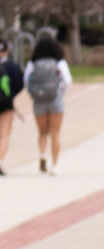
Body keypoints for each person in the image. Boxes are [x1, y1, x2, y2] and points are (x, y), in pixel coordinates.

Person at [25, 30, 72, 175]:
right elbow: (67, 80)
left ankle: (43, 154)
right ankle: (55, 165)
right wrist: (60, 93)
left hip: (39, 99)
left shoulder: (33, 63)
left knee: (42, 132)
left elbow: (27, 81)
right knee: (55, 132)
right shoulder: (59, 62)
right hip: (55, 98)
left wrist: (33, 93)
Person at [0, 37, 25, 174]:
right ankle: (1, 159)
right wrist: (10, 95)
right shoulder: (12, 66)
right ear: (7, 50)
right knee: (4, 134)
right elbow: (20, 84)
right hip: (6, 104)